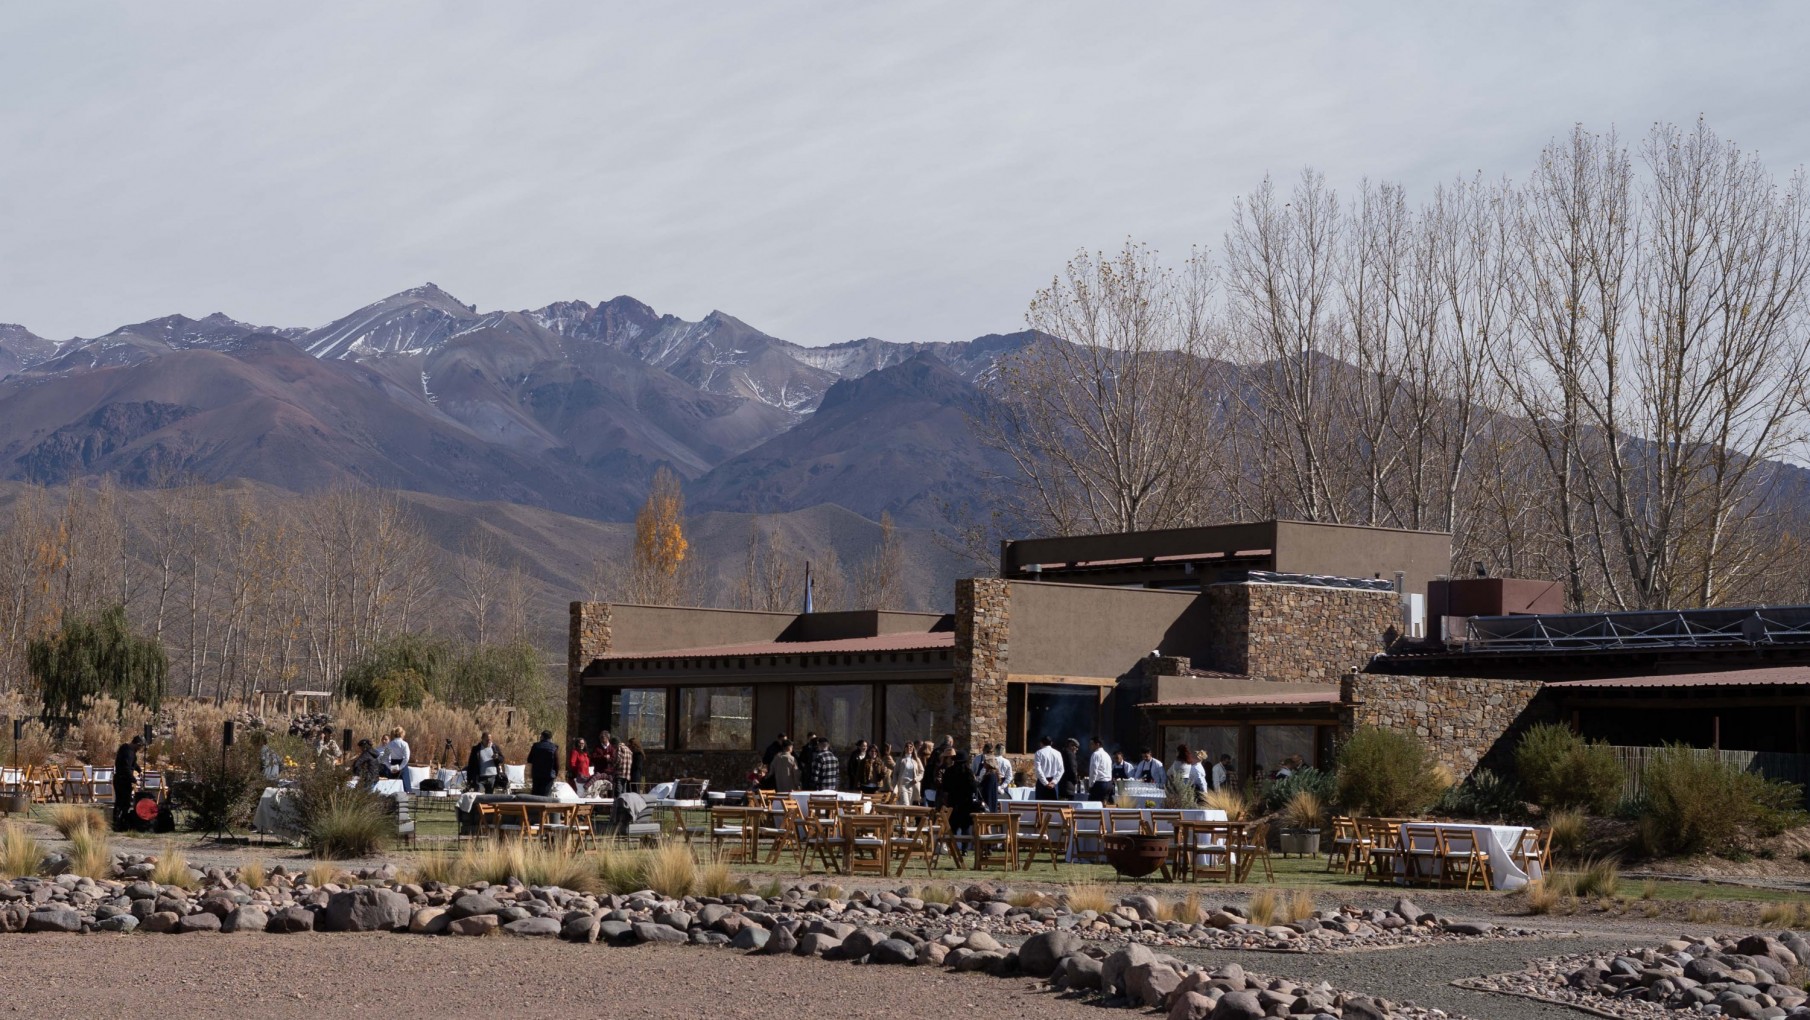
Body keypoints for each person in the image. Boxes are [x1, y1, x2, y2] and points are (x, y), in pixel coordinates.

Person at [941, 750, 976, 838]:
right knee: (965, 827)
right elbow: (974, 788)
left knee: (953, 826)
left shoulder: (949, 771)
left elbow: (945, 788)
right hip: (966, 803)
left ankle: (953, 847)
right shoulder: (968, 772)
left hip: (953, 801)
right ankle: (964, 849)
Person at [113, 735, 144, 830]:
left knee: (121, 802)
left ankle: (119, 823)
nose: (140, 749)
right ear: (137, 744)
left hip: (120, 779)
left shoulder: (126, 749)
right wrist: (135, 780)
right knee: (123, 803)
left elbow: (132, 763)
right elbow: (126, 768)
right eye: (140, 747)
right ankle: (119, 824)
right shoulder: (128, 752)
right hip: (123, 780)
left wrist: (139, 770)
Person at [528, 730, 559, 796]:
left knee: (535, 795)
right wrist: (556, 773)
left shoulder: (536, 746)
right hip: (549, 775)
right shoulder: (554, 747)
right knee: (545, 795)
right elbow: (556, 763)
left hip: (537, 774)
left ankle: (533, 806)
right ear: (551, 738)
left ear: (541, 737)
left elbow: (529, 759)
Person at [1032, 736, 1063, 801]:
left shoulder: (1039, 753)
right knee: (1053, 806)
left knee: (1040, 806)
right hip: (1053, 782)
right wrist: (1054, 782)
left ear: (1041, 743)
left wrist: (1045, 783)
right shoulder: (1057, 753)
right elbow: (1061, 769)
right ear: (1051, 743)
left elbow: (1038, 770)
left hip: (1042, 782)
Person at [383, 727, 413, 793]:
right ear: (402, 734)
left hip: (393, 764)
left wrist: (390, 767)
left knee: (393, 786)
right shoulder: (404, 744)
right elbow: (406, 758)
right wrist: (400, 768)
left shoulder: (389, 744)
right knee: (405, 786)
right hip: (402, 765)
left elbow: (385, 759)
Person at [1086, 736, 1114, 804]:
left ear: (1097, 744)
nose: (1090, 746)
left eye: (1092, 744)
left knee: (1091, 805)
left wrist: (1090, 785)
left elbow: (1093, 771)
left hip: (1100, 784)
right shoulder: (1107, 755)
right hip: (1109, 784)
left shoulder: (1095, 754)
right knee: (1103, 805)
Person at [892, 740, 921, 805]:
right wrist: (894, 784)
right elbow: (895, 773)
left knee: (909, 804)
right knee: (906, 804)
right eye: (907, 747)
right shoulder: (900, 760)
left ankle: (902, 815)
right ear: (904, 748)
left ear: (913, 748)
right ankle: (905, 815)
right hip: (903, 784)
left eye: (911, 747)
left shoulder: (916, 760)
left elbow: (922, 772)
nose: (909, 748)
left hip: (912, 784)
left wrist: (916, 779)